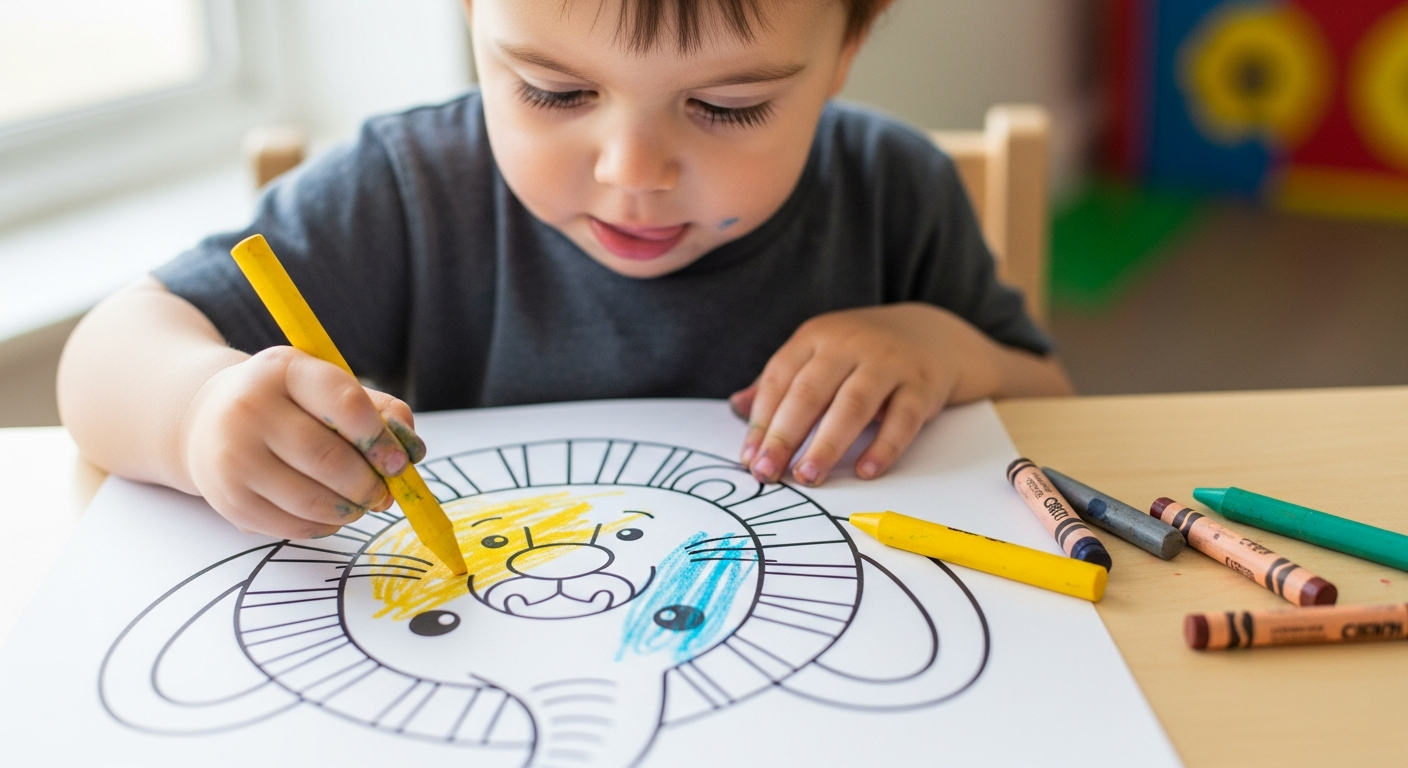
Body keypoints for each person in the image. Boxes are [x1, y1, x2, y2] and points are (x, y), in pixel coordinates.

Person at [57, 0, 1073, 541]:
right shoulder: (408, 194)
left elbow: (1052, 403)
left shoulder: (894, 192)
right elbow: (104, 357)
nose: (632, 175)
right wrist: (195, 415)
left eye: (726, 107)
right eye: (551, 90)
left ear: (846, 45)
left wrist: (941, 350)